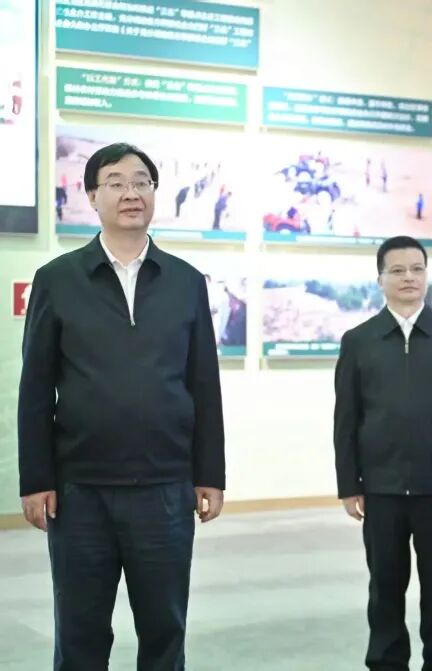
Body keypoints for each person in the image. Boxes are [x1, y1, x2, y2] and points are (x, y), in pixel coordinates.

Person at [18, 142, 226, 669]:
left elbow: (204, 383)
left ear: (155, 193)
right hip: (79, 493)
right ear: (92, 196)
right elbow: (36, 387)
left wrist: (209, 473)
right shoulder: (58, 280)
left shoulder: (185, 281)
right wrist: (35, 478)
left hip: (165, 489)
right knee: (81, 635)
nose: (131, 192)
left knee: (164, 632)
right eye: (115, 182)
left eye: (141, 182)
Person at [335, 236, 432, 670]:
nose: (408, 277)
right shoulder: (359, 340)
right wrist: (349, 483)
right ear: (380, 279)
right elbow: (346, 418)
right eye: (397, 270)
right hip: (382, 488)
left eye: (416, 269)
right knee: (385, 586)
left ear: (427, 275)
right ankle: (386, 662)